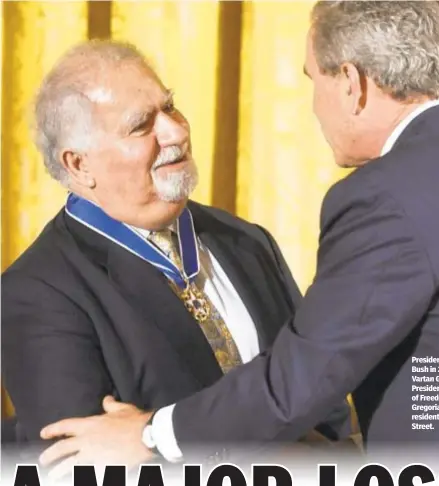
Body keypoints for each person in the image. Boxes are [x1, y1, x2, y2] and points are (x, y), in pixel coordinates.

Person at [39, 0, 439, 474]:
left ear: (353, 85)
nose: (314, 105)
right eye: (141, 124)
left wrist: (152, 435)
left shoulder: (382, 197)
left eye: (313, 80)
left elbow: (302, 378)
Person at [1, 40, 350, 463]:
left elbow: (324, 402)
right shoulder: (38, 294)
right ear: (79, 165)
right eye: (141, 125)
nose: (176, 131)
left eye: (170, 107)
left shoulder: (246, 241)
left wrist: (148, 437)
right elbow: (81, 467)